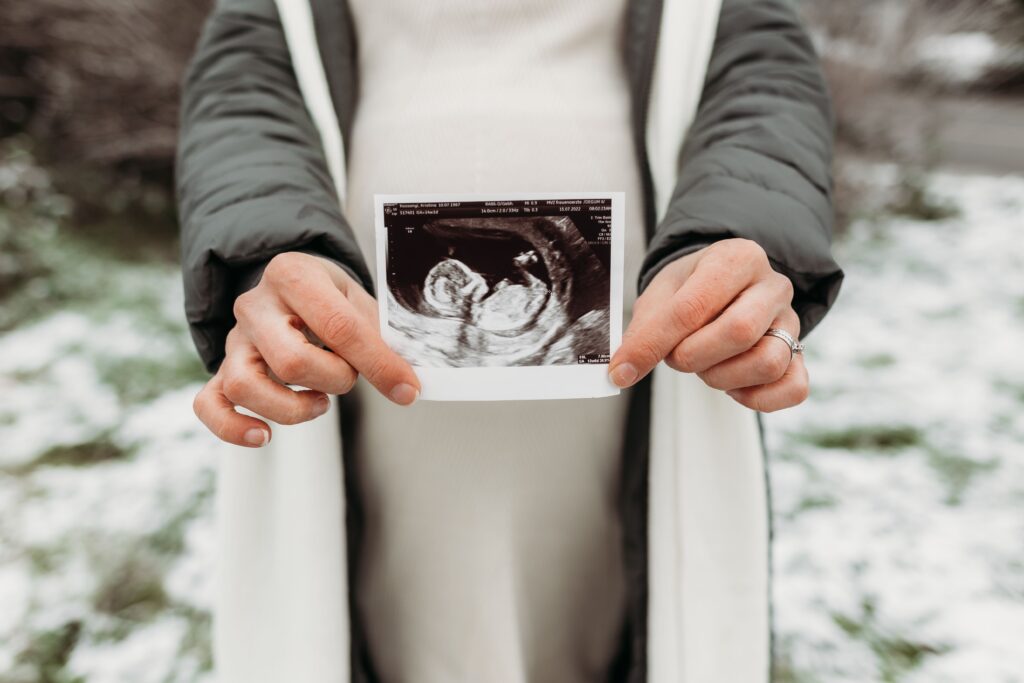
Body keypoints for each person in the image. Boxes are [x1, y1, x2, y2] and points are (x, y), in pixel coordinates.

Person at [176, 0, 844, 681]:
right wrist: (265, 257)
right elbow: (244, 103)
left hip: (648, 386)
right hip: (356, 385)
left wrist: (731, 236)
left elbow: (765, 90)